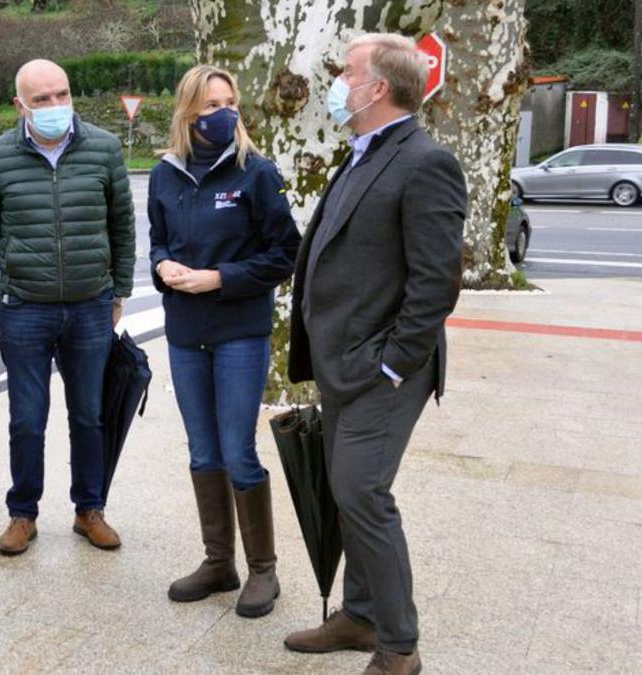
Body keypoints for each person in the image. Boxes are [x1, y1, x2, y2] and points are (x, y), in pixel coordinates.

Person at [284, 33, 467, 675]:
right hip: (344, 364)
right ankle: (359, 617)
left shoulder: (424, 161)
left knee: (362, 493)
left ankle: (399, 646)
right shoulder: (365, 151)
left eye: (347, 71)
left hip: (383, 372)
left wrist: (391, 364)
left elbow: (436, 281)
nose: (338, 80)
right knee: (344, 490)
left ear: (377, 88)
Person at [0, 59, 136, 556]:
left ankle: (90, 509)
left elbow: (122, 225)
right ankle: (23, 514)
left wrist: (119, 291)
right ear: (20, 106)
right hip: (24, 310)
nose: (56, 106)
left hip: (90, 307)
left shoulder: (103, 147)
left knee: (88, 415)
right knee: (27, 419)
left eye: (62, 95)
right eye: (42, 100)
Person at [149, 65, 301, 618]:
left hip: (239, 330)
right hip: (186, 334)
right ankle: (219, 562)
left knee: (238, 450)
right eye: (211, 105)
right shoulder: (164, 175)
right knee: (202, 450)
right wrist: (163, 265)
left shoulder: (256, 172)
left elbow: (286, 253)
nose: (224, 113)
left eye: (229, 102)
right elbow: (156, 242)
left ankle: (264, 570)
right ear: (188, 112)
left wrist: (220, 278)